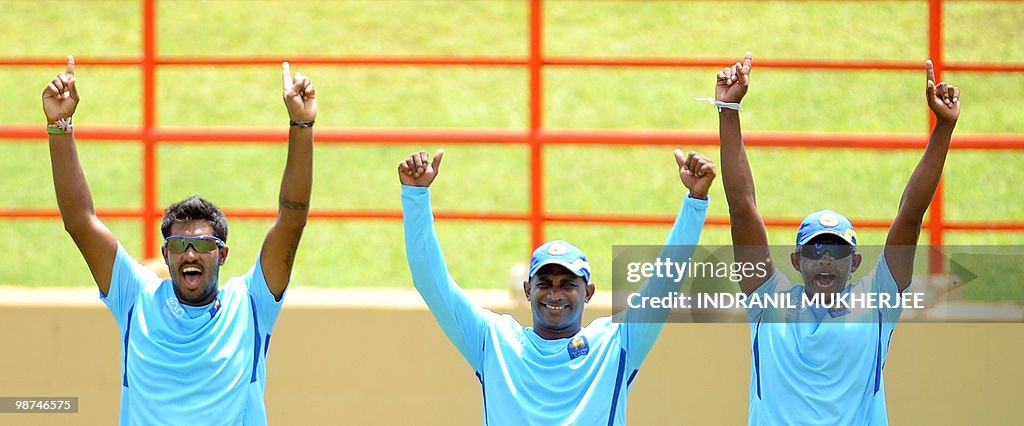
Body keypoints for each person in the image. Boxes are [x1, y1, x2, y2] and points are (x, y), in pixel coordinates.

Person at [43, 55, 317, 424]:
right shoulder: (136, 296)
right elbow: (80, 221)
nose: (190, 252)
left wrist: (301, 124)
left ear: (222, 254)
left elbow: (292, 218)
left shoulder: (251, 303)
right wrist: (60, 125)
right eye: (178, 245)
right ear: (165, 255)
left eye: (203, 244)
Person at [714, 52, 960, 425]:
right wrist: (727, 110)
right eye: (814, 249)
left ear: (855, 262)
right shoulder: (767, 299)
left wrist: (943, 128)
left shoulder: (877, 300)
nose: (825, 258)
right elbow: (742, 209)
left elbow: (910, 215)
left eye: (836, 249)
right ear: (796, 261)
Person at [398, 148, 714, 424]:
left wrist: (695, 202)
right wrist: (415, 198)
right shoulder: (493, 340)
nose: (554, 293)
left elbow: (666, 280)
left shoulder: (617, 341)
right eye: (544, 283)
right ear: (527, 290)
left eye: (568, 284)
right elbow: (430, 280)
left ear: (588, 292)